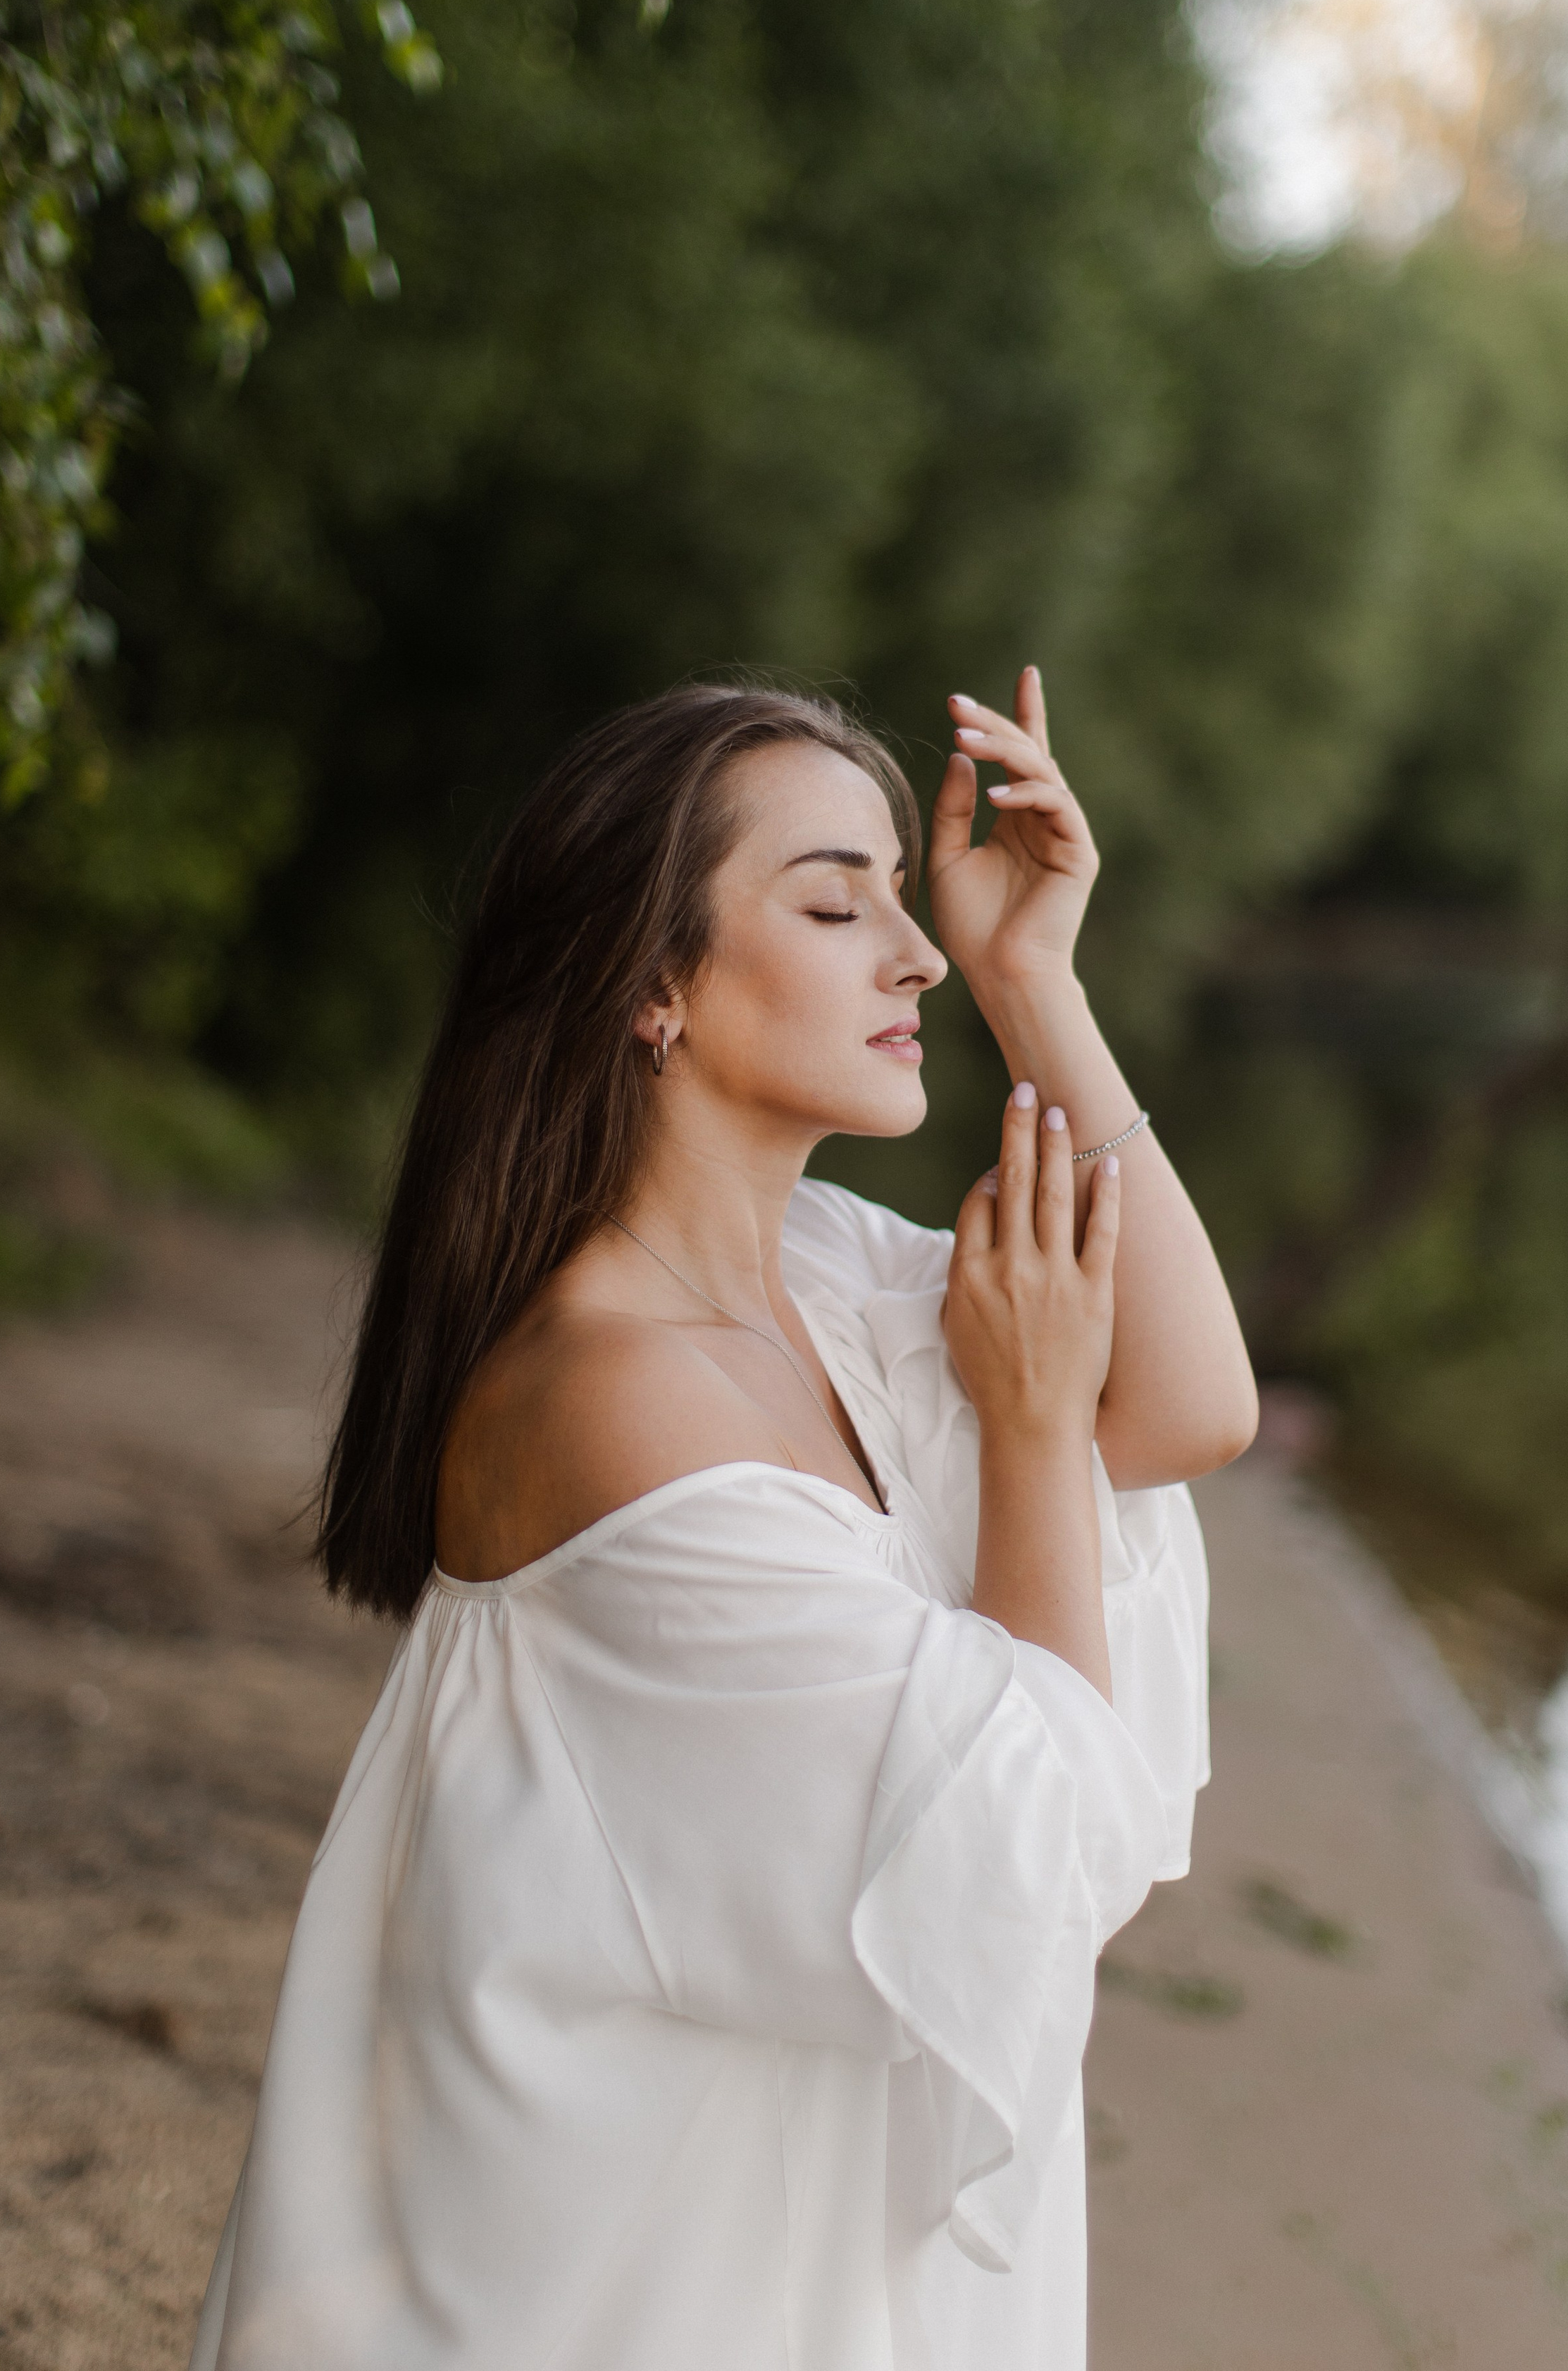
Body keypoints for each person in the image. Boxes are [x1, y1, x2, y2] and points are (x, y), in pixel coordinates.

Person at [188, 671, 1258, 2371]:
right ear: (650, 988)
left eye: (902, 900)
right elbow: (1024, 1854)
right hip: (626, 2276)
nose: (909, 952)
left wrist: (1028, 976)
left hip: (769, 2239)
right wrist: (1030, 1428)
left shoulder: (816, 1271)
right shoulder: (618, 1396)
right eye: (838, 903)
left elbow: (1193, 1406)